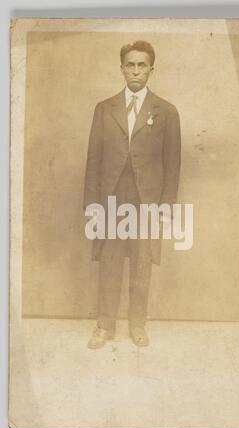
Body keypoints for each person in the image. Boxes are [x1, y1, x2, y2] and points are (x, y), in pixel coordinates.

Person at [83, 40, 181, 348]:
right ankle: (105, 326)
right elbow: (93, 161)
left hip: (146, 203)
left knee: (141, 264)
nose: (136, 70)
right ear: (122, 68)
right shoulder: (104, 109)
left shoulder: (166, 111)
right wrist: (92, 206)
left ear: (151, 69)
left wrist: (166, 207)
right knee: (110, 263)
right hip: (111, 201)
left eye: (142, 65)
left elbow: (172, 164)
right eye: (130, 64)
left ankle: (137, 325)